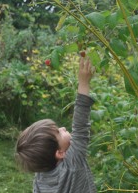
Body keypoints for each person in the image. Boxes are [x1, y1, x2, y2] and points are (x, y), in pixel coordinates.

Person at [15, 56, 97, 193]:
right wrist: (83, 83)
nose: (63, 128)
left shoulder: (40, 177)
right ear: (59, 153)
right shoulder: (73, 162)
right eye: (59, 132)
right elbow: (80, 126)